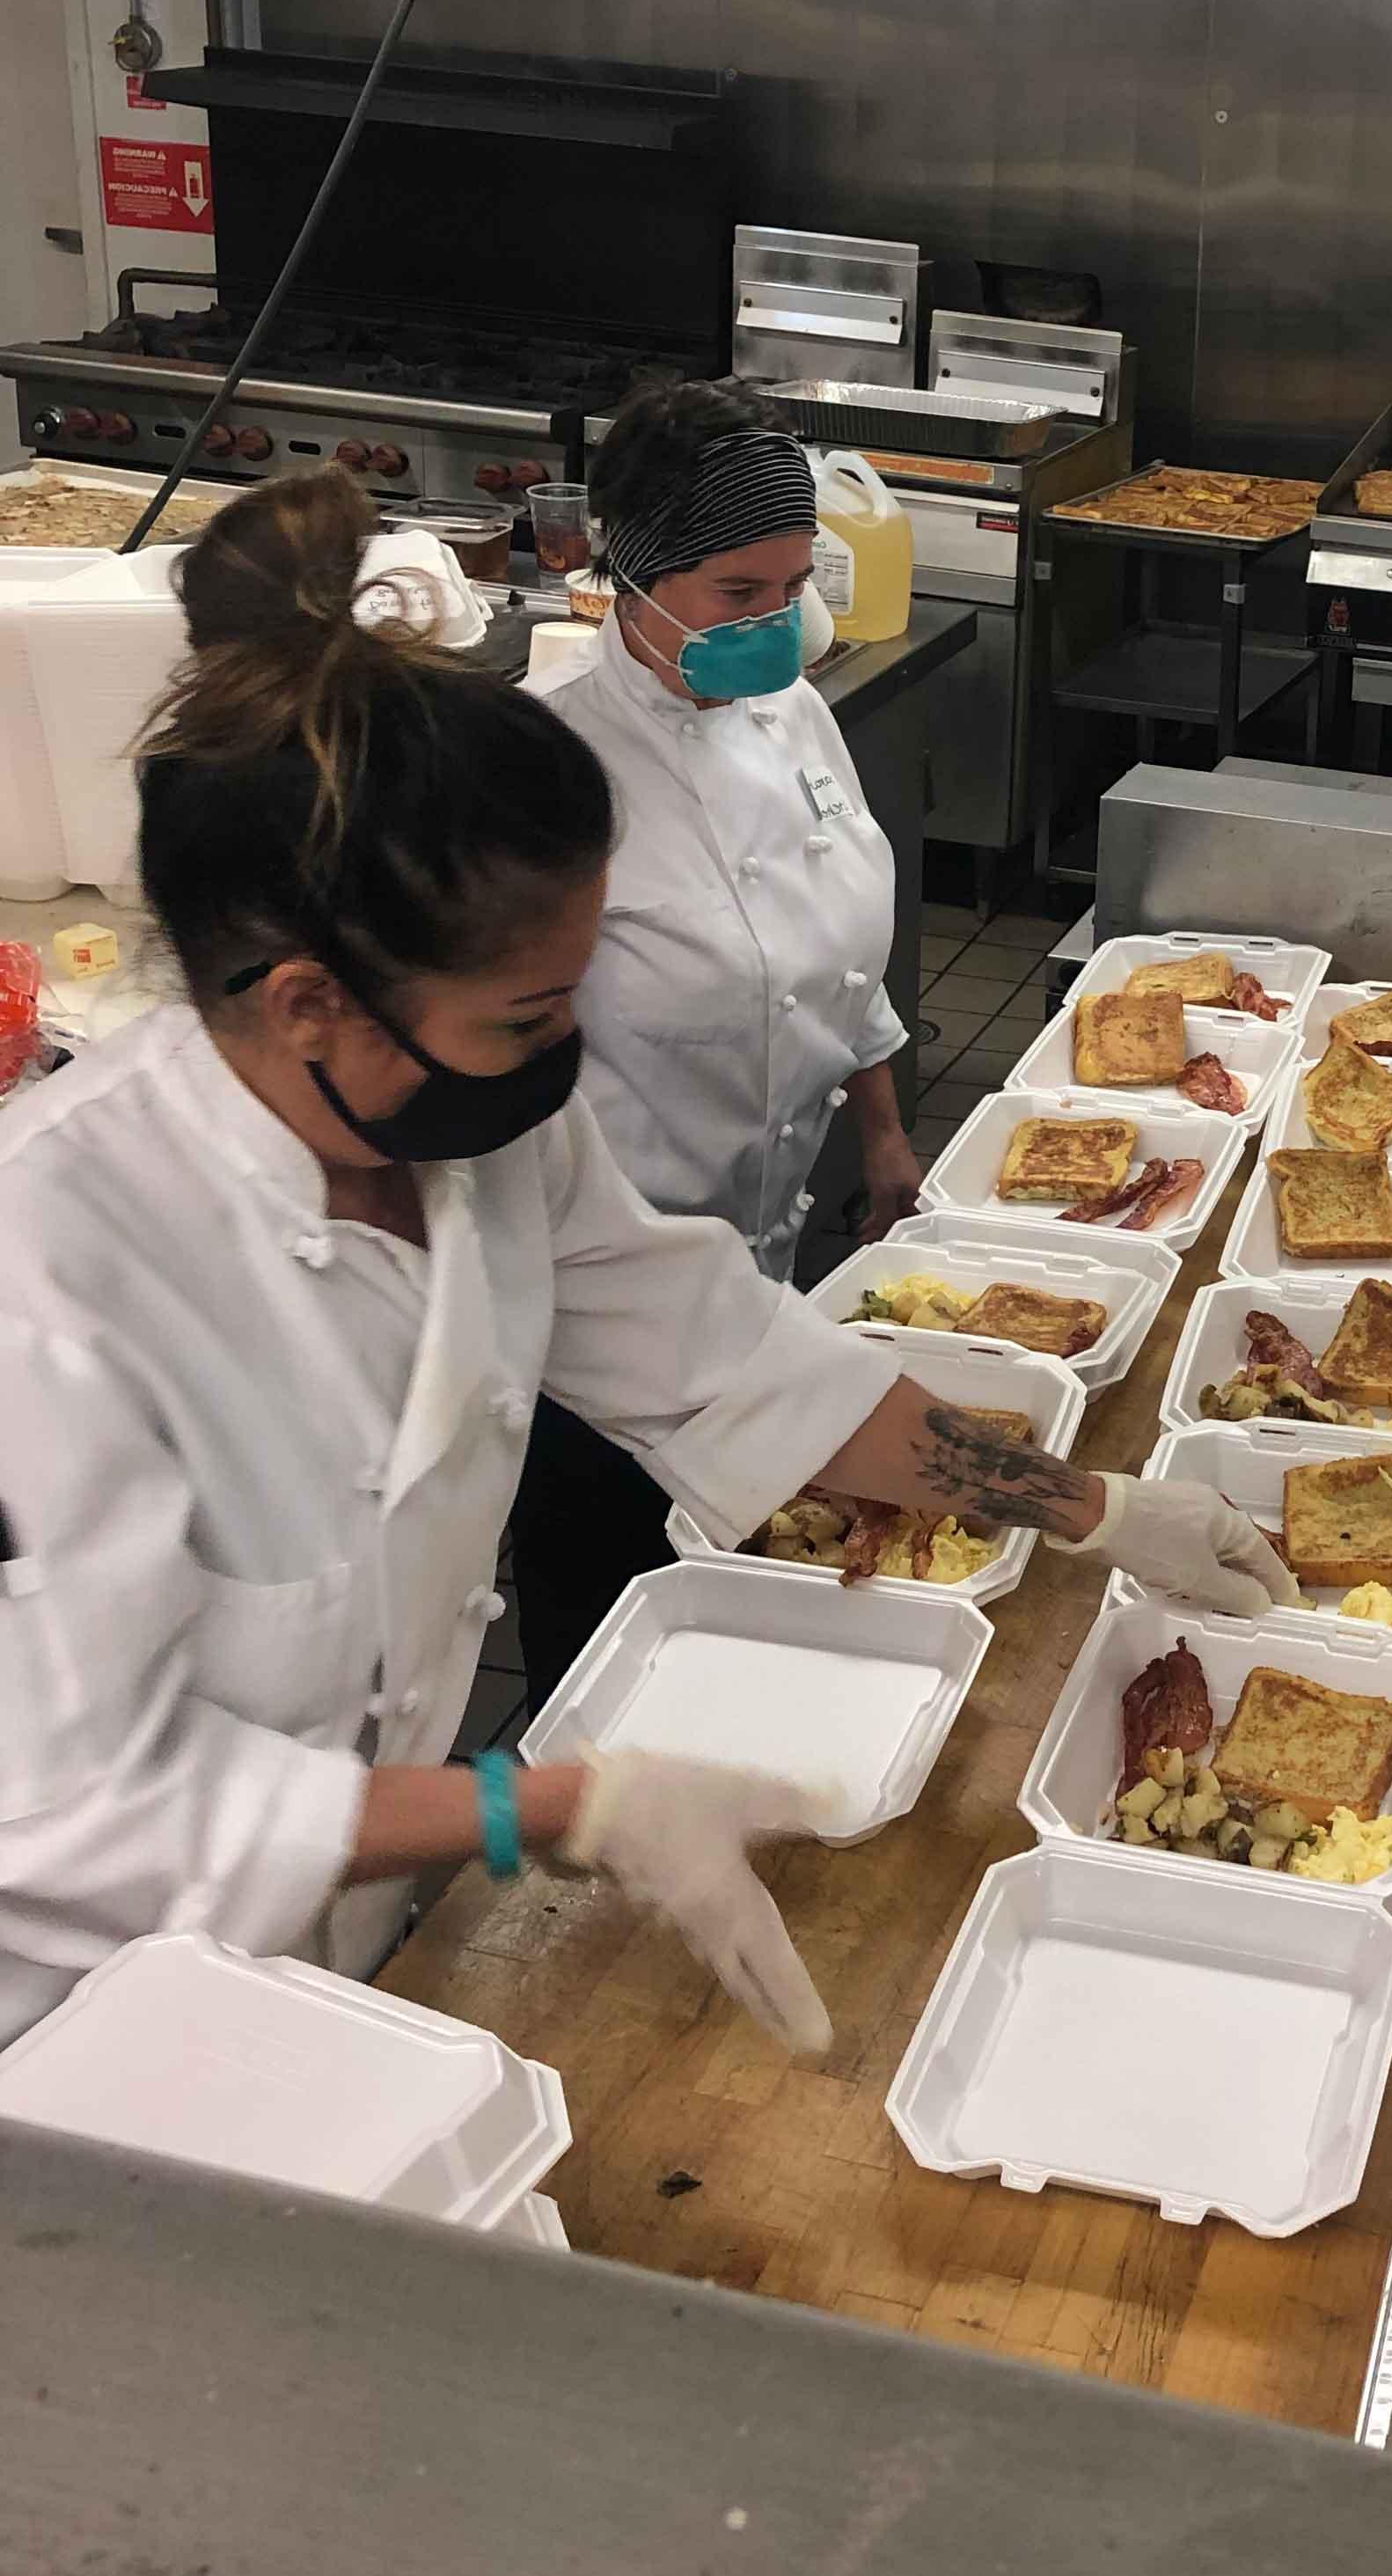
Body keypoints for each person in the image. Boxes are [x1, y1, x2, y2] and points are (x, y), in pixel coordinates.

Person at [0, 470, 1293, 2055]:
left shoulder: (473, 1138)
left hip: (339, 1963)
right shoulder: (50, 1288)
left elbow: (734, 1361)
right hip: (76, 2048)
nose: (569, 1052)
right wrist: (538, 1801)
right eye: (526, 1019)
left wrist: (1090, 1506)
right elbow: (69, 1811)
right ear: (304, 1003)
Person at [515, 383, 921, 1699]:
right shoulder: (555, 781)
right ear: (625, 573)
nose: (780, 625)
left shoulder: (795, 714)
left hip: (775, 1246)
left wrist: (885, 1129)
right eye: (741, 593)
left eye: (795, 585)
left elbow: (842, 947)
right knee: (612, 1624)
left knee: (755, 1581)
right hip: (602, 1297)